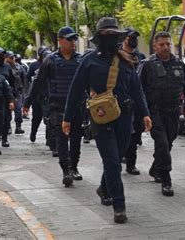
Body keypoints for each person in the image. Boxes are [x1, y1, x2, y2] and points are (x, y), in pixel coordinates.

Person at [63, 17, 152, 224]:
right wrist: (67, 118)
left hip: (125, 118)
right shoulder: (89, 61)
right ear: (100, 37)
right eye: (107, 35)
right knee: (112, 162)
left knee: (117, 157)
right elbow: (75, 90)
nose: (110, 38)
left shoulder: (126, 61)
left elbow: (137, 90)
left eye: (114, 34)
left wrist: (146, 113)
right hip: (101, 118)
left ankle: (104, 187)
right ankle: (119, 206)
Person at [24, 27, 83, 187]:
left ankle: (74, 167)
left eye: (74, 39)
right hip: (57, 106)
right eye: (69, 39)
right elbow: (38, 82)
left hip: (77, 107)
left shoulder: (80, 60)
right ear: (60, 40)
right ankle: (66, 171)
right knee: (62, 141)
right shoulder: (50, 60)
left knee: (76, 140)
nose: (73, 42)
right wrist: (28, 102)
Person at [138, 31, 185, 197]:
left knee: (168, 142)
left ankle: (156, 168)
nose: (165, 47)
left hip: (173, 111)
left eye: (168, 44)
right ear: (155, 46)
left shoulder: (179, 64)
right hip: (154, 111)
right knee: (162, 143)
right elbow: (138, 88)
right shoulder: (147, 65)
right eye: (161, 44)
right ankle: (166, 179)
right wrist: (142, 112)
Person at [121, 28, 147, 175]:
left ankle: (131, 162)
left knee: (136, 133)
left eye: (136, 37)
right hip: (123, 100)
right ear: (125, 39)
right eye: (131, 37)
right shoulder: (117, 55)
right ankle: (127, 160)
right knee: (127, 133)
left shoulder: (140, 57)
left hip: (137, 100)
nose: (134, 40)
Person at [0, 47, 16, 147]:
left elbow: (12, 82)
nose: (2, 56)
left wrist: (12, 97)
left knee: (6, 118)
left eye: (3, 54)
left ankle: (5, 138)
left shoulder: (7, 68)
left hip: (5, 98)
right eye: (0, 54)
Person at [26, 46, 49, 142]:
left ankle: (49, 139)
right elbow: (28, 78)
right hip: (37, 96)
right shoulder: (34, 65)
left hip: (48, 95)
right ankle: (33, 133)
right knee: (36, 117)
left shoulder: (51, 65)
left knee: (49, 119)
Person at [5, 51, 26, 134]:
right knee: (7, 110)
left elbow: (24, 78)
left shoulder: (19, 67)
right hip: (7, 91)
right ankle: (8, 127)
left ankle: (18, 126)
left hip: (17, 91)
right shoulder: (4, 67)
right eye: (10, 57)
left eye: (13, 57)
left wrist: (24, 90)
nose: (12, 59)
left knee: (18, 109)